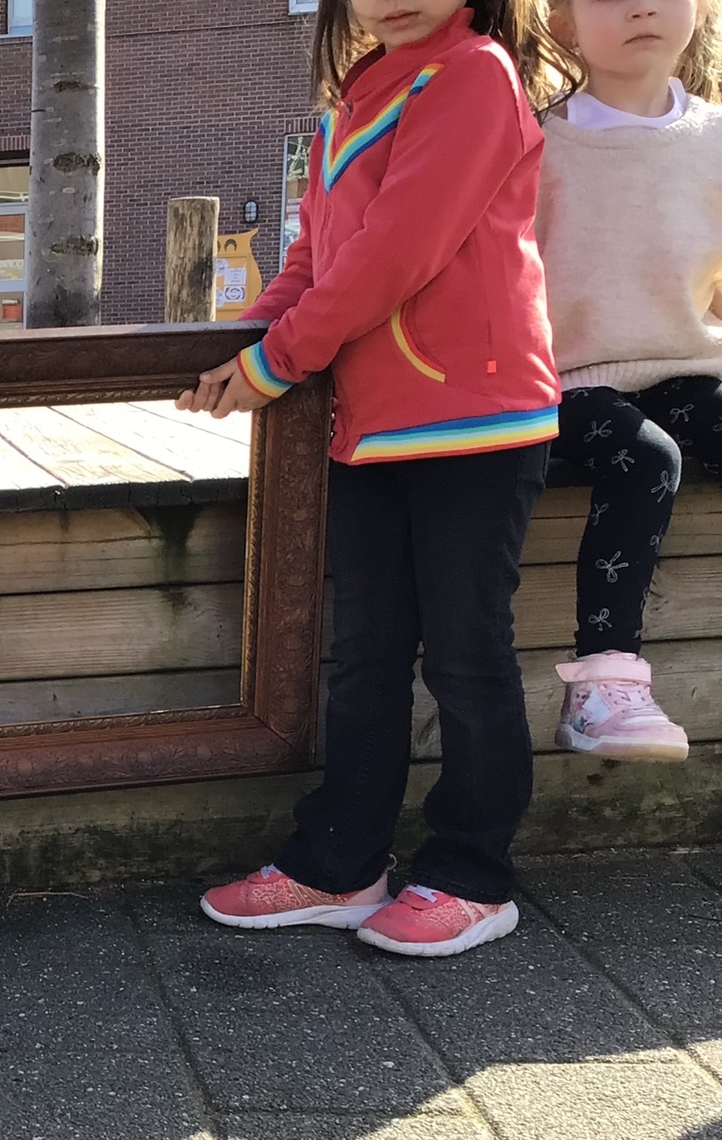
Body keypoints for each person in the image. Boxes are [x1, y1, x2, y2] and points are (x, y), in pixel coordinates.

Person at [181, 0, 575, 958]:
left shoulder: (474, 72)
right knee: (365, 656)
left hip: (479, 419)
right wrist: (236, 348)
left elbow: (397, 250)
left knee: (466, 655)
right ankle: (340, 865)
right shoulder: (351, 102)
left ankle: (473, 877)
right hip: (369, 428)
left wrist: (278, 362)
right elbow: (314, 260)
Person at [537, 0, 722, 762]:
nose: (640, 6)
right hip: (570, 382)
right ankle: (602, 686)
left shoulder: (715, 139)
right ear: (563, 23)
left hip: (688, 367)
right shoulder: (536, 143)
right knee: (646, 457)